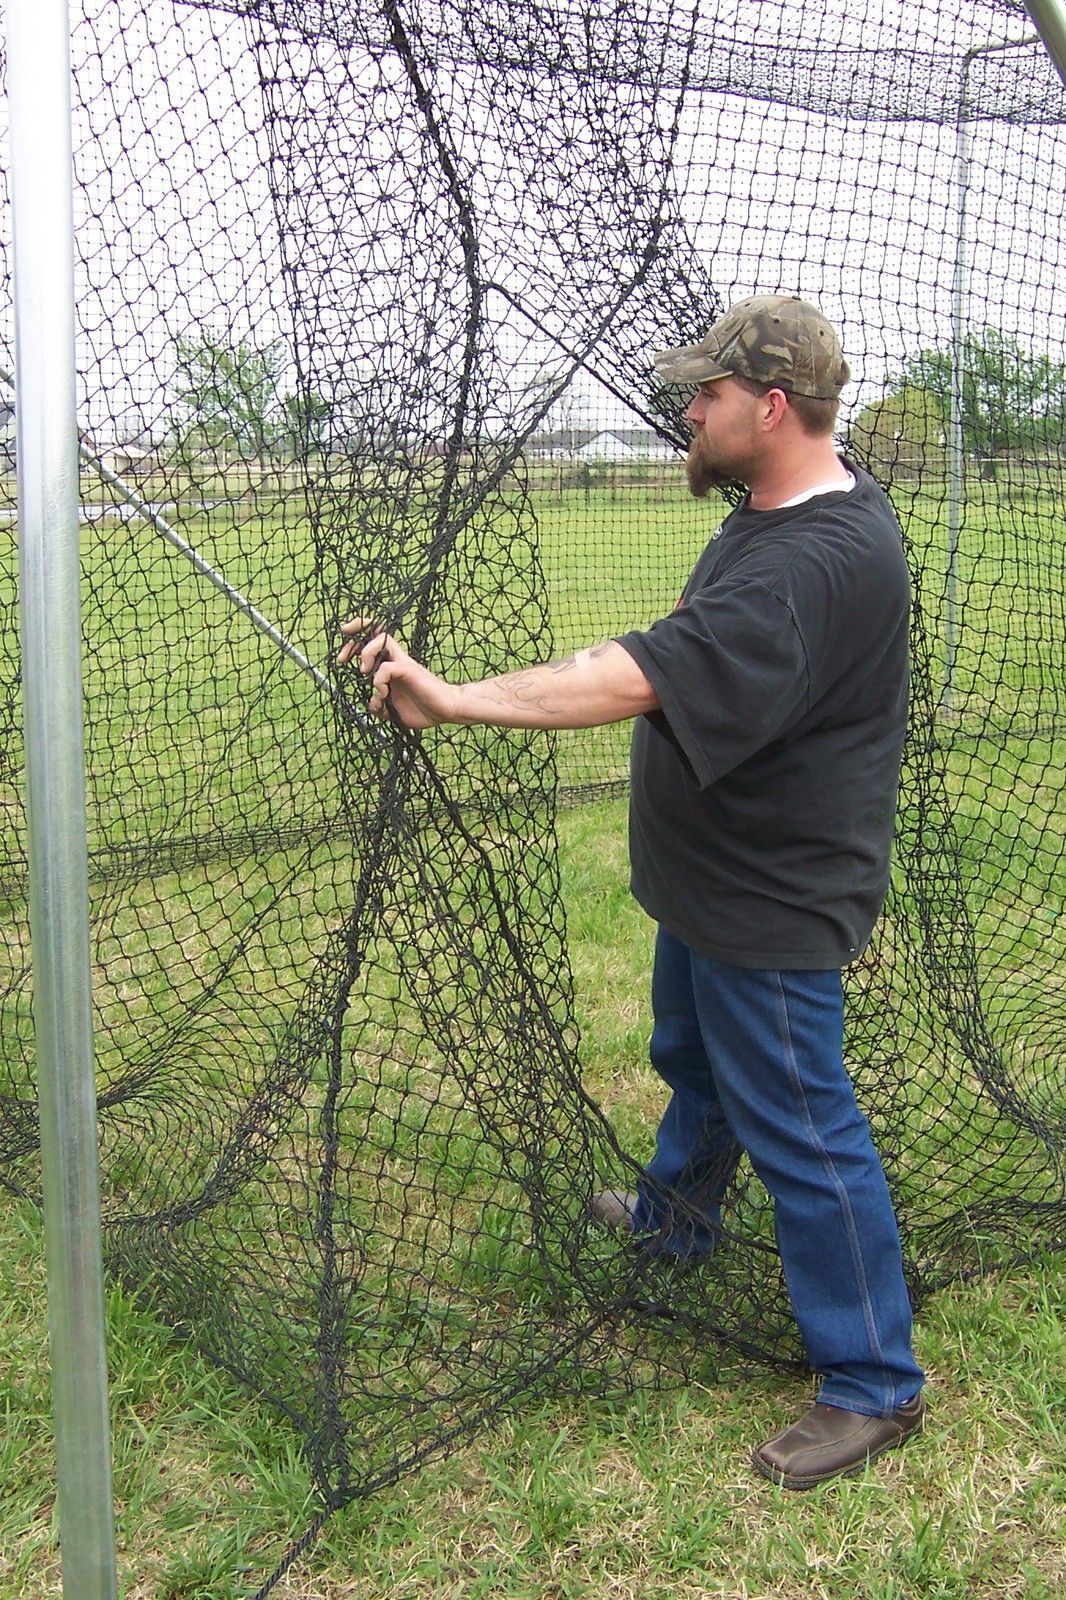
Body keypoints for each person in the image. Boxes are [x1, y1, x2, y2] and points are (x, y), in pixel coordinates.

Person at [338, 294, 926, 1490]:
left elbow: (637, 673)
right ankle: (678, 1221)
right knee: (697, 1064)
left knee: (806, 1130)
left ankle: (873, 1380)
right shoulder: (787, 503)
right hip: (715, 881)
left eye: (706, 397)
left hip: (771, 901)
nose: (686, 414)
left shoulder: (817, 559)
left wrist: (455, 698)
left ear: (772, 407)